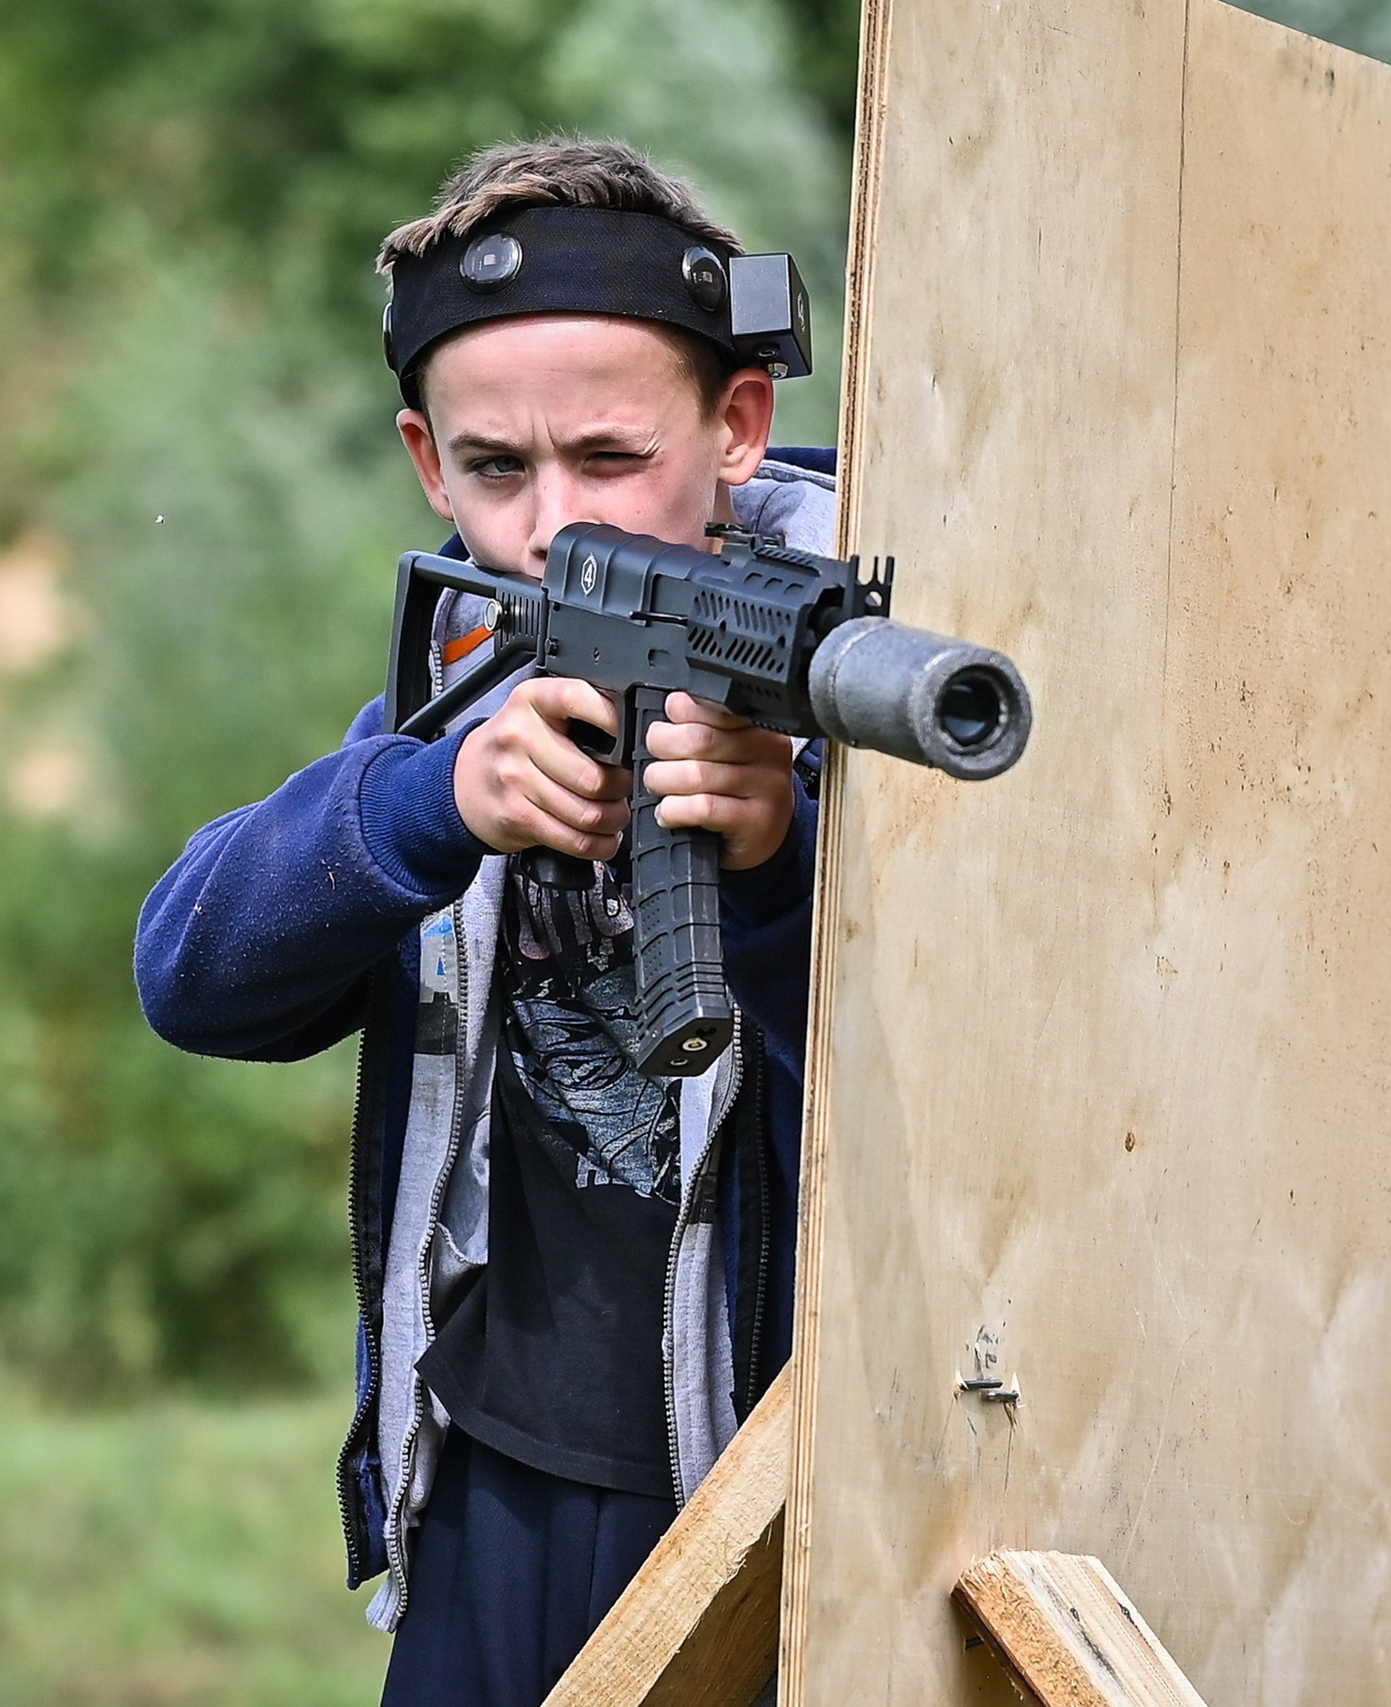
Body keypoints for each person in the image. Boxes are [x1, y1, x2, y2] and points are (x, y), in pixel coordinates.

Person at [135, 136, 831, 1705]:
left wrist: (784, 872)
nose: (548, 527)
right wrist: (431, 804)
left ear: (738, 425)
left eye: (606, 456)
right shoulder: (461, 681)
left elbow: (977, 1136)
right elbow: (189, 975)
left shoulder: (849, 695)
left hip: (774, 1494)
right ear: (427, 463)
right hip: (490, 1487)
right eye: (499, 470)